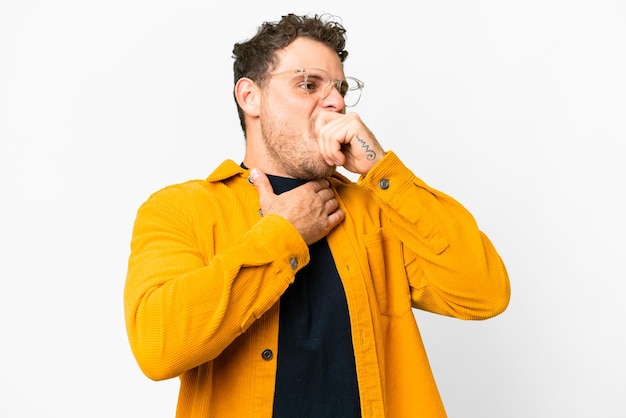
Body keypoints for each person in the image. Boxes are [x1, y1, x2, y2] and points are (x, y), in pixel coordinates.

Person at [124, 13, 510, 418]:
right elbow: (157, 346)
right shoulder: (181, 209)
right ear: (249, 96)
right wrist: (283, 233)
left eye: (340, 89)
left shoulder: (375, 210)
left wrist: (381, 170)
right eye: (308, 84)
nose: (336, 103)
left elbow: (484, 291)